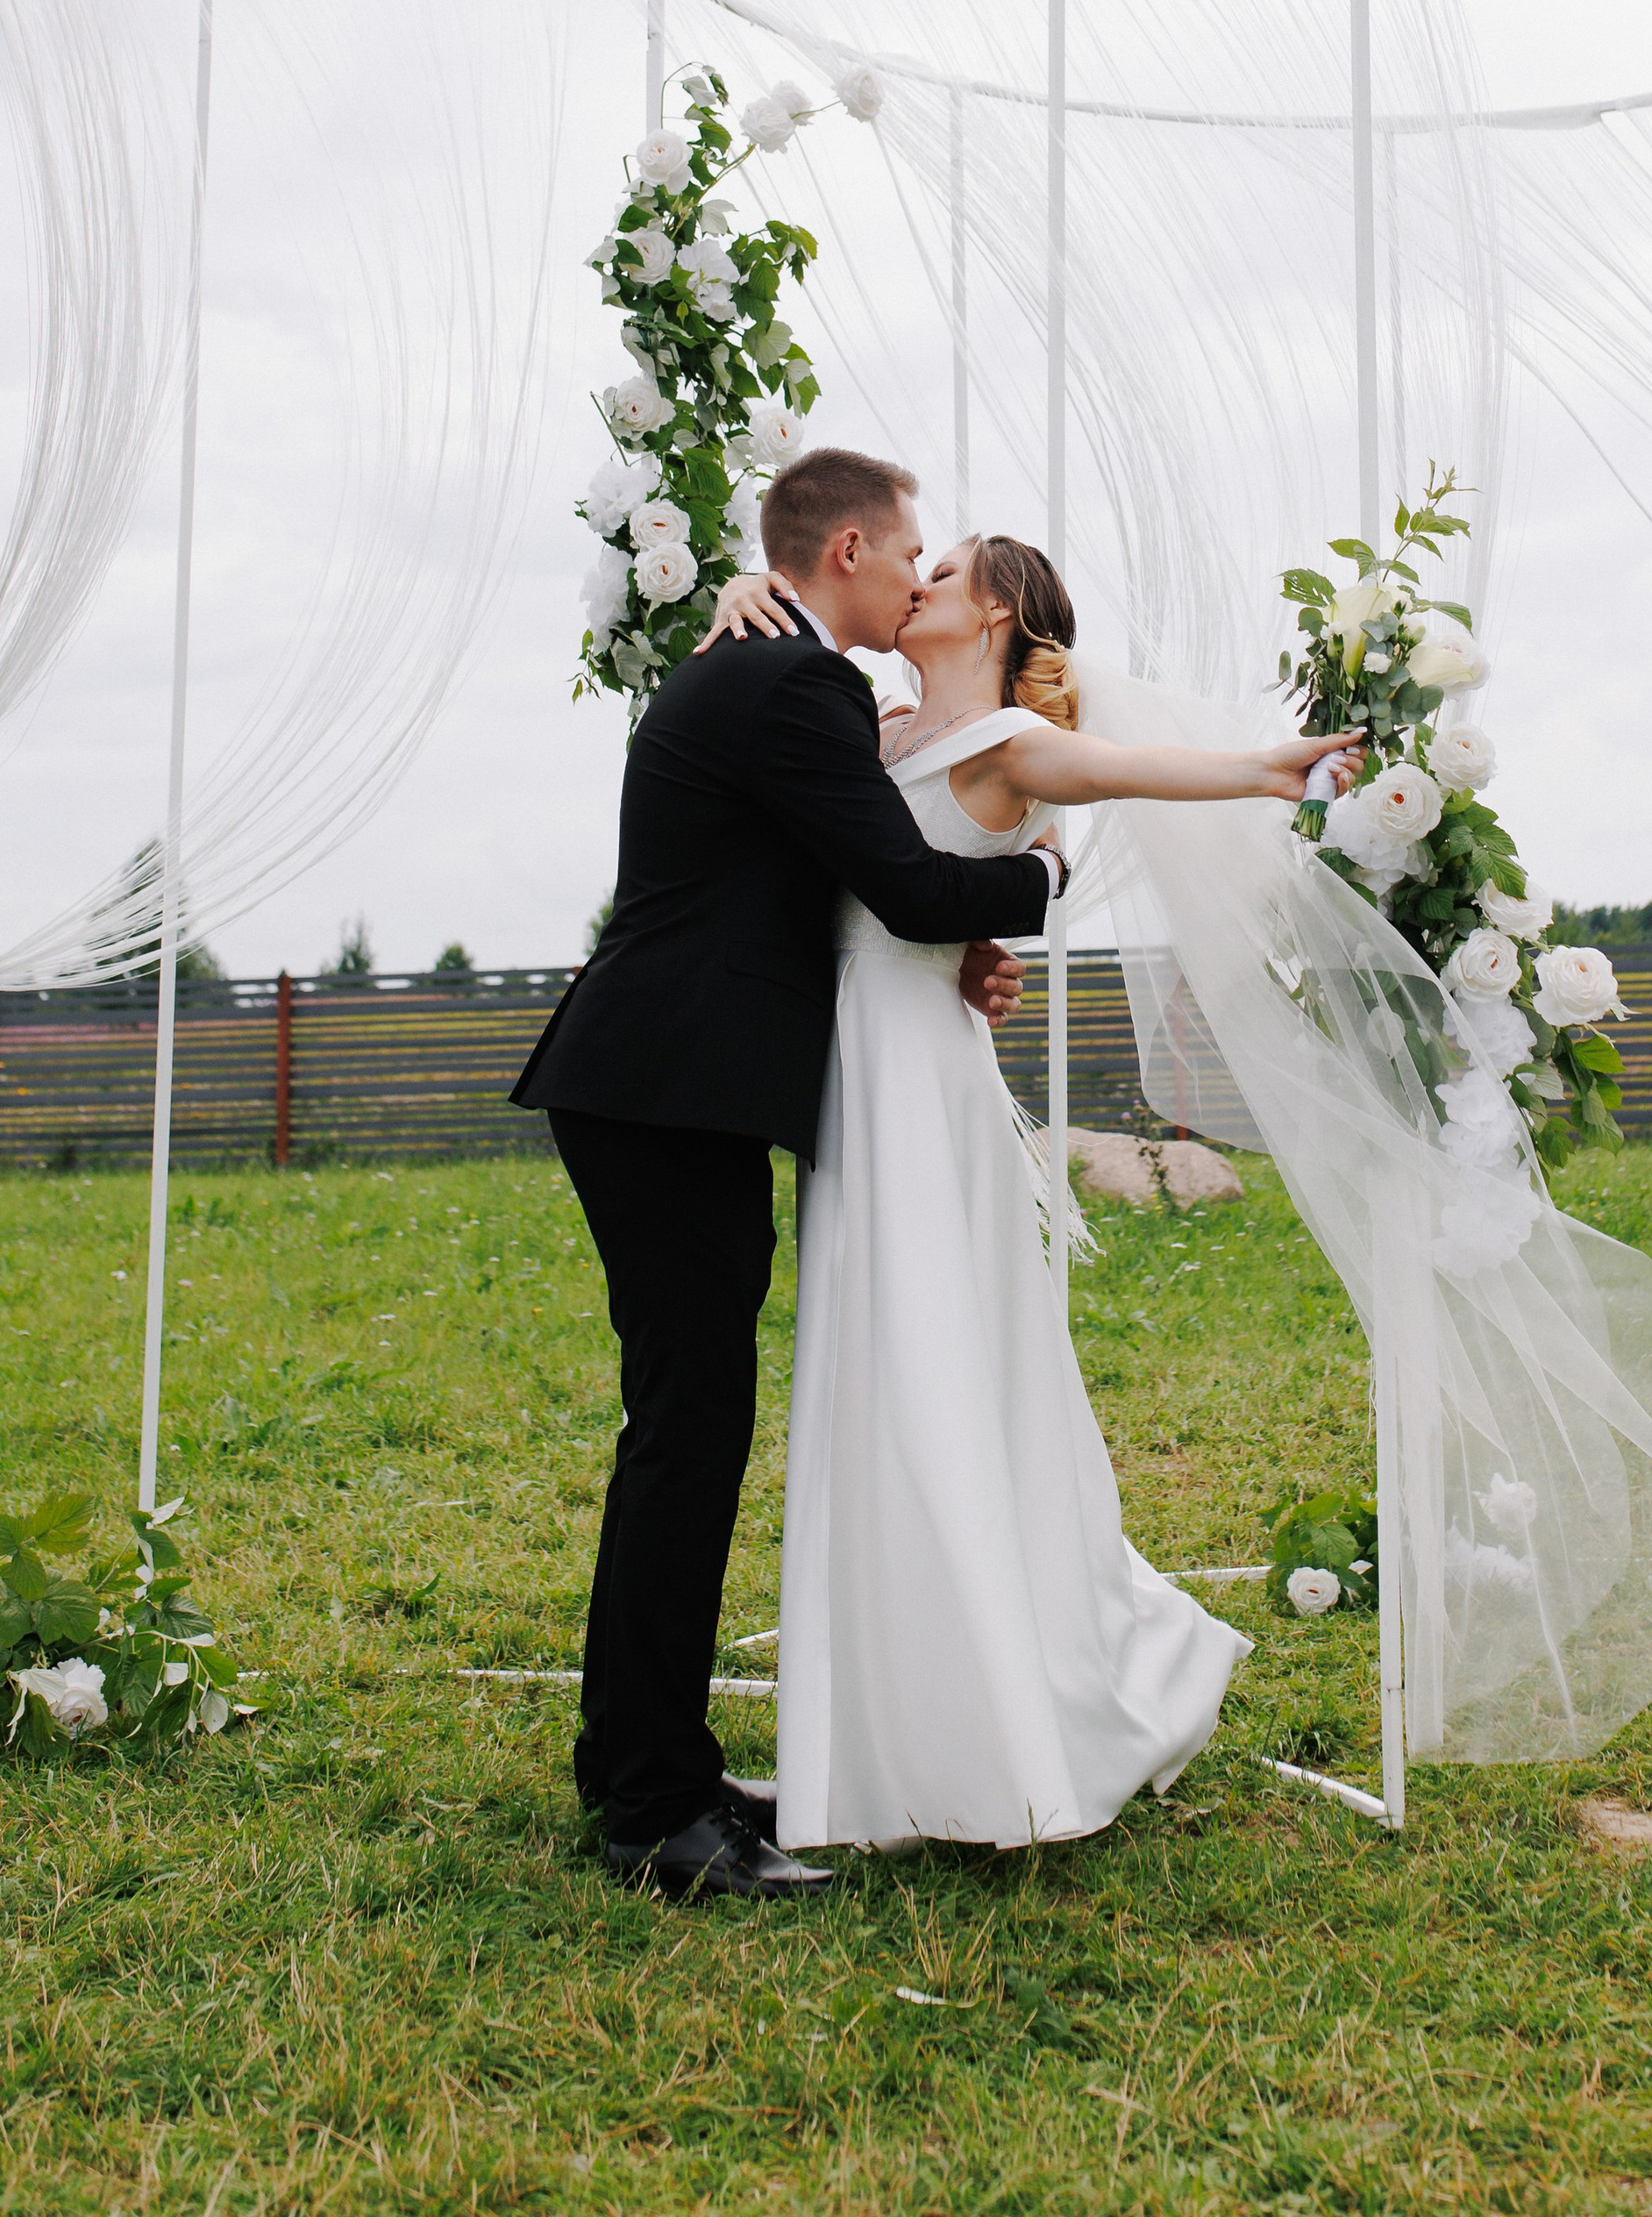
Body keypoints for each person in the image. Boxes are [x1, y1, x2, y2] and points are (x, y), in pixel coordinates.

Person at [700, 530, 1362, 1853]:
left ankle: (1003, 1727)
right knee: (874, 1384)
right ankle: (888, 1738)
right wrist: (736, 590)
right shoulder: (871, 728)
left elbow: (1129, 769)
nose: (919, 580)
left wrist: (1269, 766)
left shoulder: (1009, 742)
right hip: (852, 1080)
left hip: (929, 1097)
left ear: (995, 606)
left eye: (942, 568)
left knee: (946, 1371)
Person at [509, 448, 1065, 1901]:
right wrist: (1046, 883)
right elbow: (913, 885)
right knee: (687, 1437)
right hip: (664, 1095)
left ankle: (652, 1763)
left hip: (660, 1088)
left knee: (682, 1431)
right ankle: (653, 1812)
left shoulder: (768, 669)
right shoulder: (796, 680)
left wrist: (965, 951)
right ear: (850, 553)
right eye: (912, 551)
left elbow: (834, 877)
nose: (918, 573)